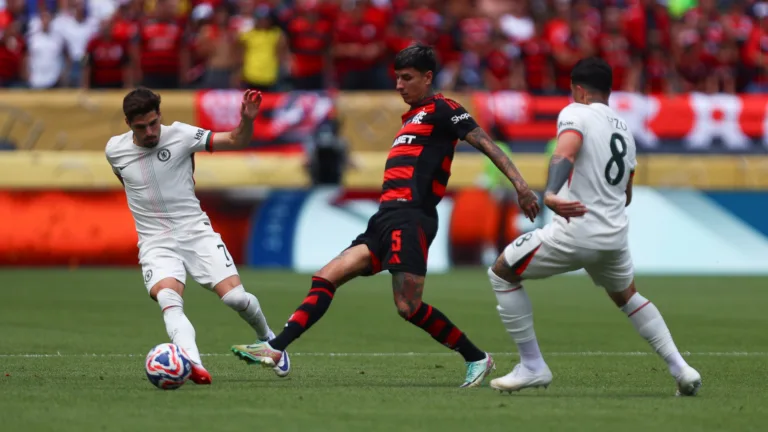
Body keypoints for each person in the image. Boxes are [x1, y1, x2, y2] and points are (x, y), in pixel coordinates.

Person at [231, 44, 540, 388]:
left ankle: (476, 357)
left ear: (427, 77)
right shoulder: (410, 118)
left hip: (411, 218)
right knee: (326, 277)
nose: (399, 85)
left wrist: (521, 186)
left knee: (408, 306)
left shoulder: (445, 109)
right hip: (384, 218)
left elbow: (485, 143)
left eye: (407, 78)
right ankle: (275, 349)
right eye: (397, 78)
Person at [485, 57, 702, 396]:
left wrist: (553, 193)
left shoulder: (576, 112)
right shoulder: (624, 129)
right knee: (628, 296)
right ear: (608, 92)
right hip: (614, 235)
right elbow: (626, 193)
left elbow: (565, 152)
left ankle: (532, 366)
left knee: (501, 273)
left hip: (575, 228)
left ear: (579, 90)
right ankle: (681, 368)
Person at [105, 87, 290, 384]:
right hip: (155, 240)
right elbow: (127, 183)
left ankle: (269, 340)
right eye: (142, 127)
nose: (151, 132)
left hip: (194, 231)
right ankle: (193, 364)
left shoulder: (180, 135)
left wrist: (247, 121)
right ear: (128, 124)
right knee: (168, 298)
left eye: (154, 123)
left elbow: (235, 139)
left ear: (160, 116)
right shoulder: (115, 150)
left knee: (235, 298)